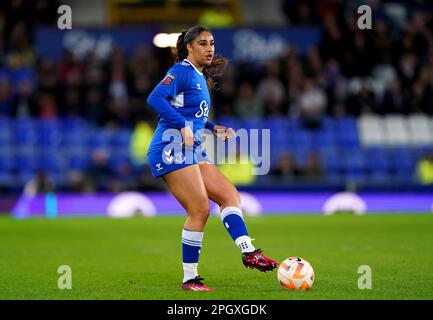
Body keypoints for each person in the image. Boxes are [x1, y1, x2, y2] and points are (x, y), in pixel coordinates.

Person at [146, 26, 278, 291]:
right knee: (200, 209)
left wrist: (210, 127)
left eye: (212, 43)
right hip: (171, 148)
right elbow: (155, 99)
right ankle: (189, 279)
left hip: (193, 148)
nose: (210, 48)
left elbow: (191, 115)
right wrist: (181, 125)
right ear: (190, 47)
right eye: (203, 43)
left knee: (229, 195)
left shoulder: (198, 75)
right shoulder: (181, 71)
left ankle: (248, 251)